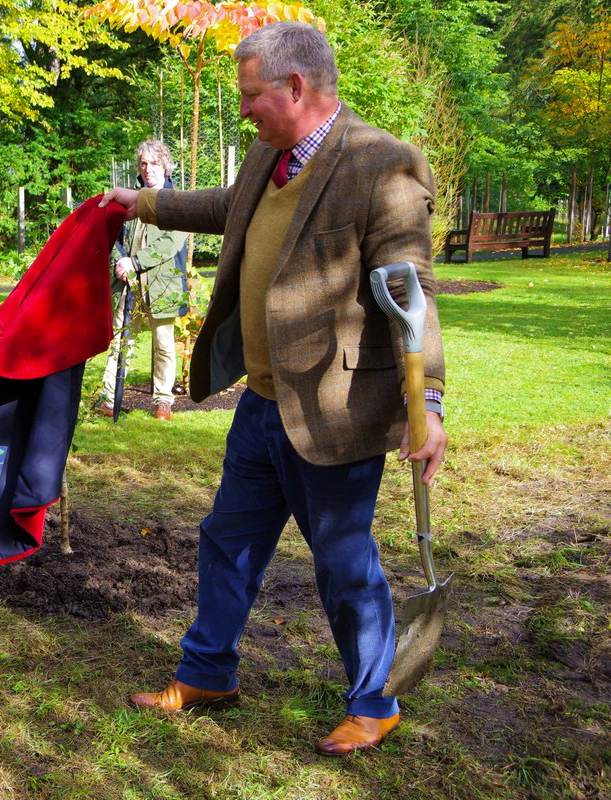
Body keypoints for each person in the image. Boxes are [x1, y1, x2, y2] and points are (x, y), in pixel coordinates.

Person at [100, 21, 447, 756]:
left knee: (343, 562)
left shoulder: (384, 165)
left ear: (297, 87)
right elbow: (230, 207)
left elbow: (412, 296)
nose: (246, 107)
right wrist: (145, 204)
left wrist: (429, 407)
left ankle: (375, 700)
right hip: (261, 403)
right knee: (227, 542)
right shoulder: (271, 154)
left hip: (335, 409)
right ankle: (208, 673)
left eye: (253, 95)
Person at [95, 140, 188, 421]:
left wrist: (134, 262)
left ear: (166, 165)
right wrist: (120, 260)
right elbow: (114, 235)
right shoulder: (132, 200)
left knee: (163, 345)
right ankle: (108, 398)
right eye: (143, 164)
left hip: (163, 284)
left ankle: (163, 402)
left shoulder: (178, 202)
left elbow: (170, 243)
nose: (148, 169)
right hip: (130, 283)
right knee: (121, 341)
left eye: (154, 163)